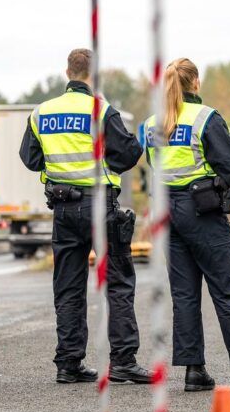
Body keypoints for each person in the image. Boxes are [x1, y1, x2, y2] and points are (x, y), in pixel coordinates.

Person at [20, 48, 152, 384]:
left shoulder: (41, 112)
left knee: (68, 286)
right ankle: (123, 361)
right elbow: (129, 154)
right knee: (118, 282)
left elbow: (30, 158)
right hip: (100, 207)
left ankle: (68, 363)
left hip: (63, 209)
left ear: (67, 73)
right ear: (93, 76)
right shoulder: (101, 111)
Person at [143, 58, 230, 393]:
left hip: (167, 212)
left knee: (184, 293)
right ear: (195, 82)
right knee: (226, 288)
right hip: (202, 211)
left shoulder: (151, 124)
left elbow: (154, 167)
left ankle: (194, 370)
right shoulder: (205, 118)